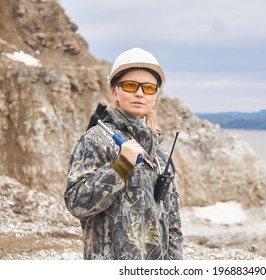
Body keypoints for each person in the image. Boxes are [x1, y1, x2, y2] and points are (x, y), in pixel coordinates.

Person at [64, 47, 183, 260]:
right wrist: (121, 166)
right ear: (115, 91)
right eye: (130, 85)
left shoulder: (160, 152)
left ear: (155, 95)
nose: (139, 93)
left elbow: (172, 223)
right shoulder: (97, 140)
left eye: (148, 88)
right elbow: (76, 203)